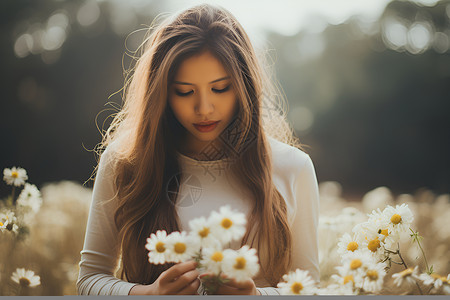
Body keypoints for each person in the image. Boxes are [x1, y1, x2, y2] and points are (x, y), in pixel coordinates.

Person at [76, 3, 319, 296]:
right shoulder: (124, 161)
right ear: (162, 92)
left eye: (220, 89)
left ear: (244, 86)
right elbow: (89, 280)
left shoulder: (294, 167)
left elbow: (310, 289)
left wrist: (256, 296)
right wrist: (148, 294)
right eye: (184, 91)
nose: (204, 108)